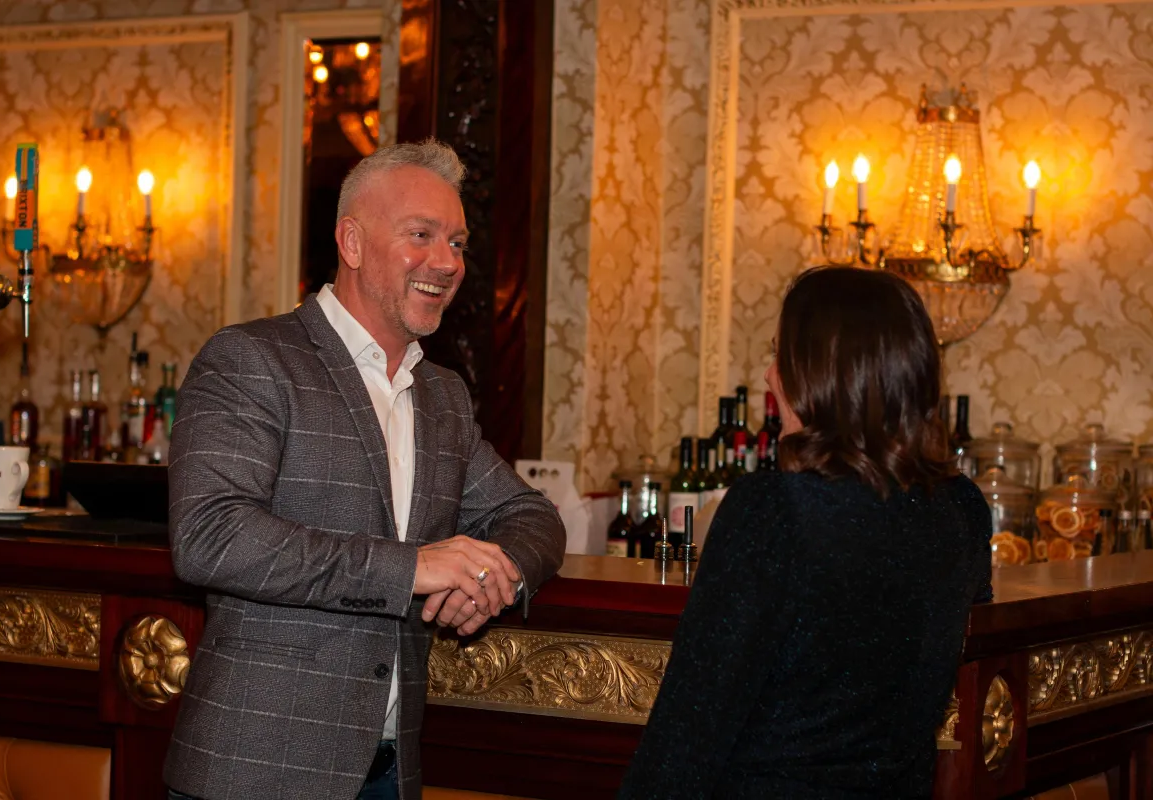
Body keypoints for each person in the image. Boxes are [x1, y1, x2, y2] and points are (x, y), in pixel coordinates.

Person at [163, 139, 566, 800]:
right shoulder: (252, 359)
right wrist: (413, 567)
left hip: (389, 774)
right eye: (421, 235)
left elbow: (532, 515)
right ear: (351, 241)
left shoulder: (441, 396)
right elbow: (211, 536)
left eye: (458, 243)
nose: (447, 262)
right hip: (256, 774)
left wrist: (500, 571)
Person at [619, 266, 992, 799]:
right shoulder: (963, 508)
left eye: (782, 354)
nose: (771, 376)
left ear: (818, 372)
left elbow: (689, 733)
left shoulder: (774, 510)